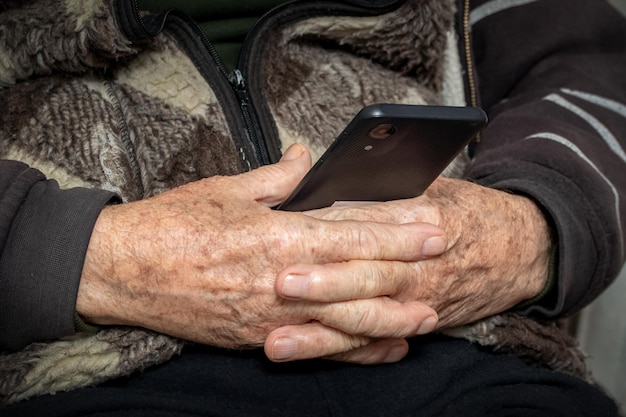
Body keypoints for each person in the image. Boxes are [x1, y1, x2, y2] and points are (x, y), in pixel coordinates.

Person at [1, 0, 625, 415]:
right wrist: (78, 255)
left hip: (469, 346)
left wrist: (532, 225)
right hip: (79, 363)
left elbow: (587, 67)